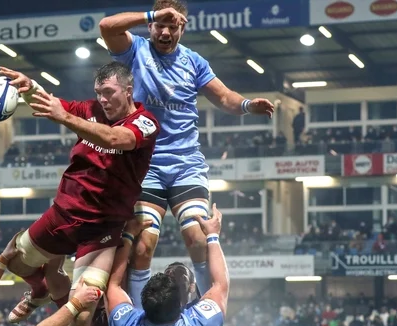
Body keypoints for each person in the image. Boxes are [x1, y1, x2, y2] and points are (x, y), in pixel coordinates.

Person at [99, 0, 274, 308]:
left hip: (185, 167)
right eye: (160, 25)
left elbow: (224, 97)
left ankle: (209, 311)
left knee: (197, 237)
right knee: (144, 244)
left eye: (173, 25)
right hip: (145, 166)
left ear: (183, 28)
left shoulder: (194, 62)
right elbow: (106, 27)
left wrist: (247, 105)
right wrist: (150, 14)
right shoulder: (135, 51)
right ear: (151, 26)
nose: (165, 31)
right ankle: (143, 318)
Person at [0, 62, 160, 326]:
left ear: (129, 90)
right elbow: (52, 104)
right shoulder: (90, 110)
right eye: (98, 93)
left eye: (109, 92)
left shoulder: (145, 122)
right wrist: (30, 87)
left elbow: (114, 138)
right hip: (62, 214)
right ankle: (39, 290)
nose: (103, 100)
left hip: (102, 230)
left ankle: (54, 288)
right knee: (15, 262)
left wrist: (66, 118)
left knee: (82, 316)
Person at [105, 203, 229, 326]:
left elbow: (112, 285)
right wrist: (212, 235)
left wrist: (129, 234)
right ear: (181, 306)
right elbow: (220, 284)